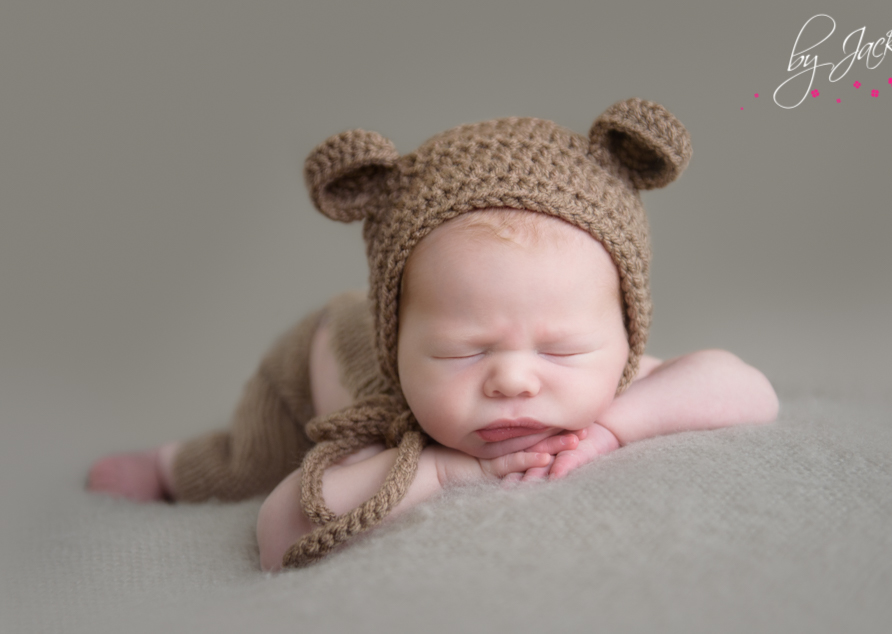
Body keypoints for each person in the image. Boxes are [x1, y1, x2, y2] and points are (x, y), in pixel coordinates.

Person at [87, 98, 779, 571]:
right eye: (462, 351)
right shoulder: (386, 414)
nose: (514, 378)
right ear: (397, 351)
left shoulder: (605, 383)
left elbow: (750, 390)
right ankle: (165, 465)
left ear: (627, 336)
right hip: (312, 358)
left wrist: (611, 429)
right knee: (246, 463)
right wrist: (448, 469)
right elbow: (279, 532)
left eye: (560, 348)